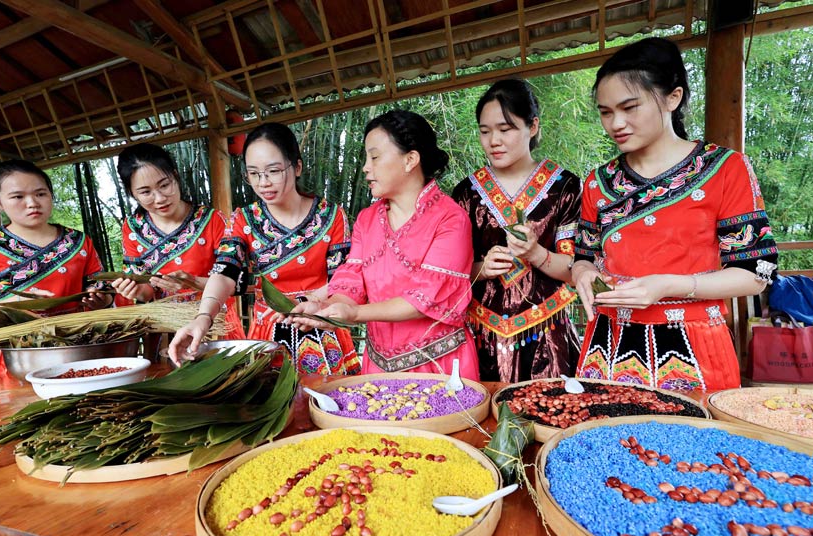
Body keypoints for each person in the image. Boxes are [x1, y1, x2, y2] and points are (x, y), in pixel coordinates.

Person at [572, 37, 779, 392]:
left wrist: (670, 285)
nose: (615, 123)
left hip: (695, 347)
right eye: (606, 112)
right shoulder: (598, 182)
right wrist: (583, 272)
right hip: (606, 345)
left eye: (630, 107)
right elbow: (583, 256)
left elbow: (754, 274)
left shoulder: (725, 169)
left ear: (673, 97)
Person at [289, 110, 480, 380]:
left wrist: (354, 313)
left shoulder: (450, 219)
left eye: (375, 157)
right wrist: (328, 309)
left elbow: (424, 299)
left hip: (439, 368)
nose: (366, 167)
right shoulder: (367, 220)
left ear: (410, 159)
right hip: (379, 366)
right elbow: (351, 282)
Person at [168, 123, 360, 378]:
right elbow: (225, 271)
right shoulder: (243, 220)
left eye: (273, 171)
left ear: (297, 167)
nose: (263, 182)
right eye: (254, 173)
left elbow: (343, 278)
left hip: (323, 326)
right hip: (268, 335)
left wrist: (308, 302)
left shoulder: (332, 216)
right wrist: (204, 317)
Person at [452, 79, 582, 383]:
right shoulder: (466, 193)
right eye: (485, 131)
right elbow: (448, 275)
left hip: (549, 337)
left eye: (505, 129)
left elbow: (576, 269)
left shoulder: (565, 187)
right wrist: (481, 270)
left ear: (533, 126)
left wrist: (536, 253)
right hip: (482, 335)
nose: (493, 140)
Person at [0, 160, 112, 378]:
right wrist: (10, 306)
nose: (32, 203)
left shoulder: (78, 241)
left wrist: (103, 299)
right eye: (18, 197)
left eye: (40, 194)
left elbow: (101, 288)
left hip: (75, 347)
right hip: (10, 358)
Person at [111, 143, 244, 339]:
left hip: (215, 326)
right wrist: (136, 290)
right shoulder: (132, 228)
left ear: (175, 176)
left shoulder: (212, 220)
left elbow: (238, 283)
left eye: (165, 185)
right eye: (146, 192)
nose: (159, 198)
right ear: (132, 193)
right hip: (165, 330)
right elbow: (146, 291)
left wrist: (193, 283)